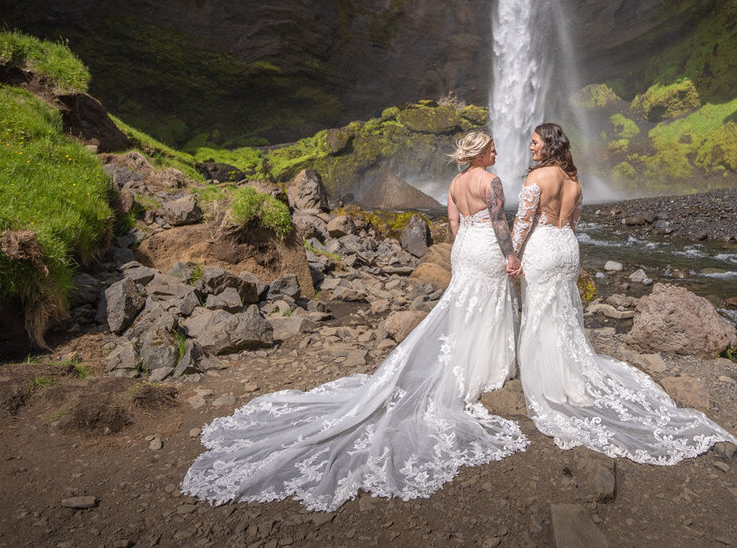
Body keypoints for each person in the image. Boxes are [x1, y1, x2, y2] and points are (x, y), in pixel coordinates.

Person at [181, 131, 527, 512]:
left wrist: (462, 247)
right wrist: (510, 256)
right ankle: (485, 366)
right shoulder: (491, 181)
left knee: (463, 304)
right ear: (479, 153)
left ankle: (464, 359)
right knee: (488, 302)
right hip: (487, 248)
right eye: (492, 147)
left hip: (464, 249)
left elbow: (453, 221)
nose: (497, 151)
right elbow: (499, 223)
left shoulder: (456, 182)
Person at [510, 123, 737, 464]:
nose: (531, 147)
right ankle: (570, 376)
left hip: (543, 248)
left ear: (549, 144)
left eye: (535, 142)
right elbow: (574, 223)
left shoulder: (536, 178)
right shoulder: (575, 181)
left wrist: (512, 254)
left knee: (539, 312)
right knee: (563, 314)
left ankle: (549, 380)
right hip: (566, 248)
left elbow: (522, 222)